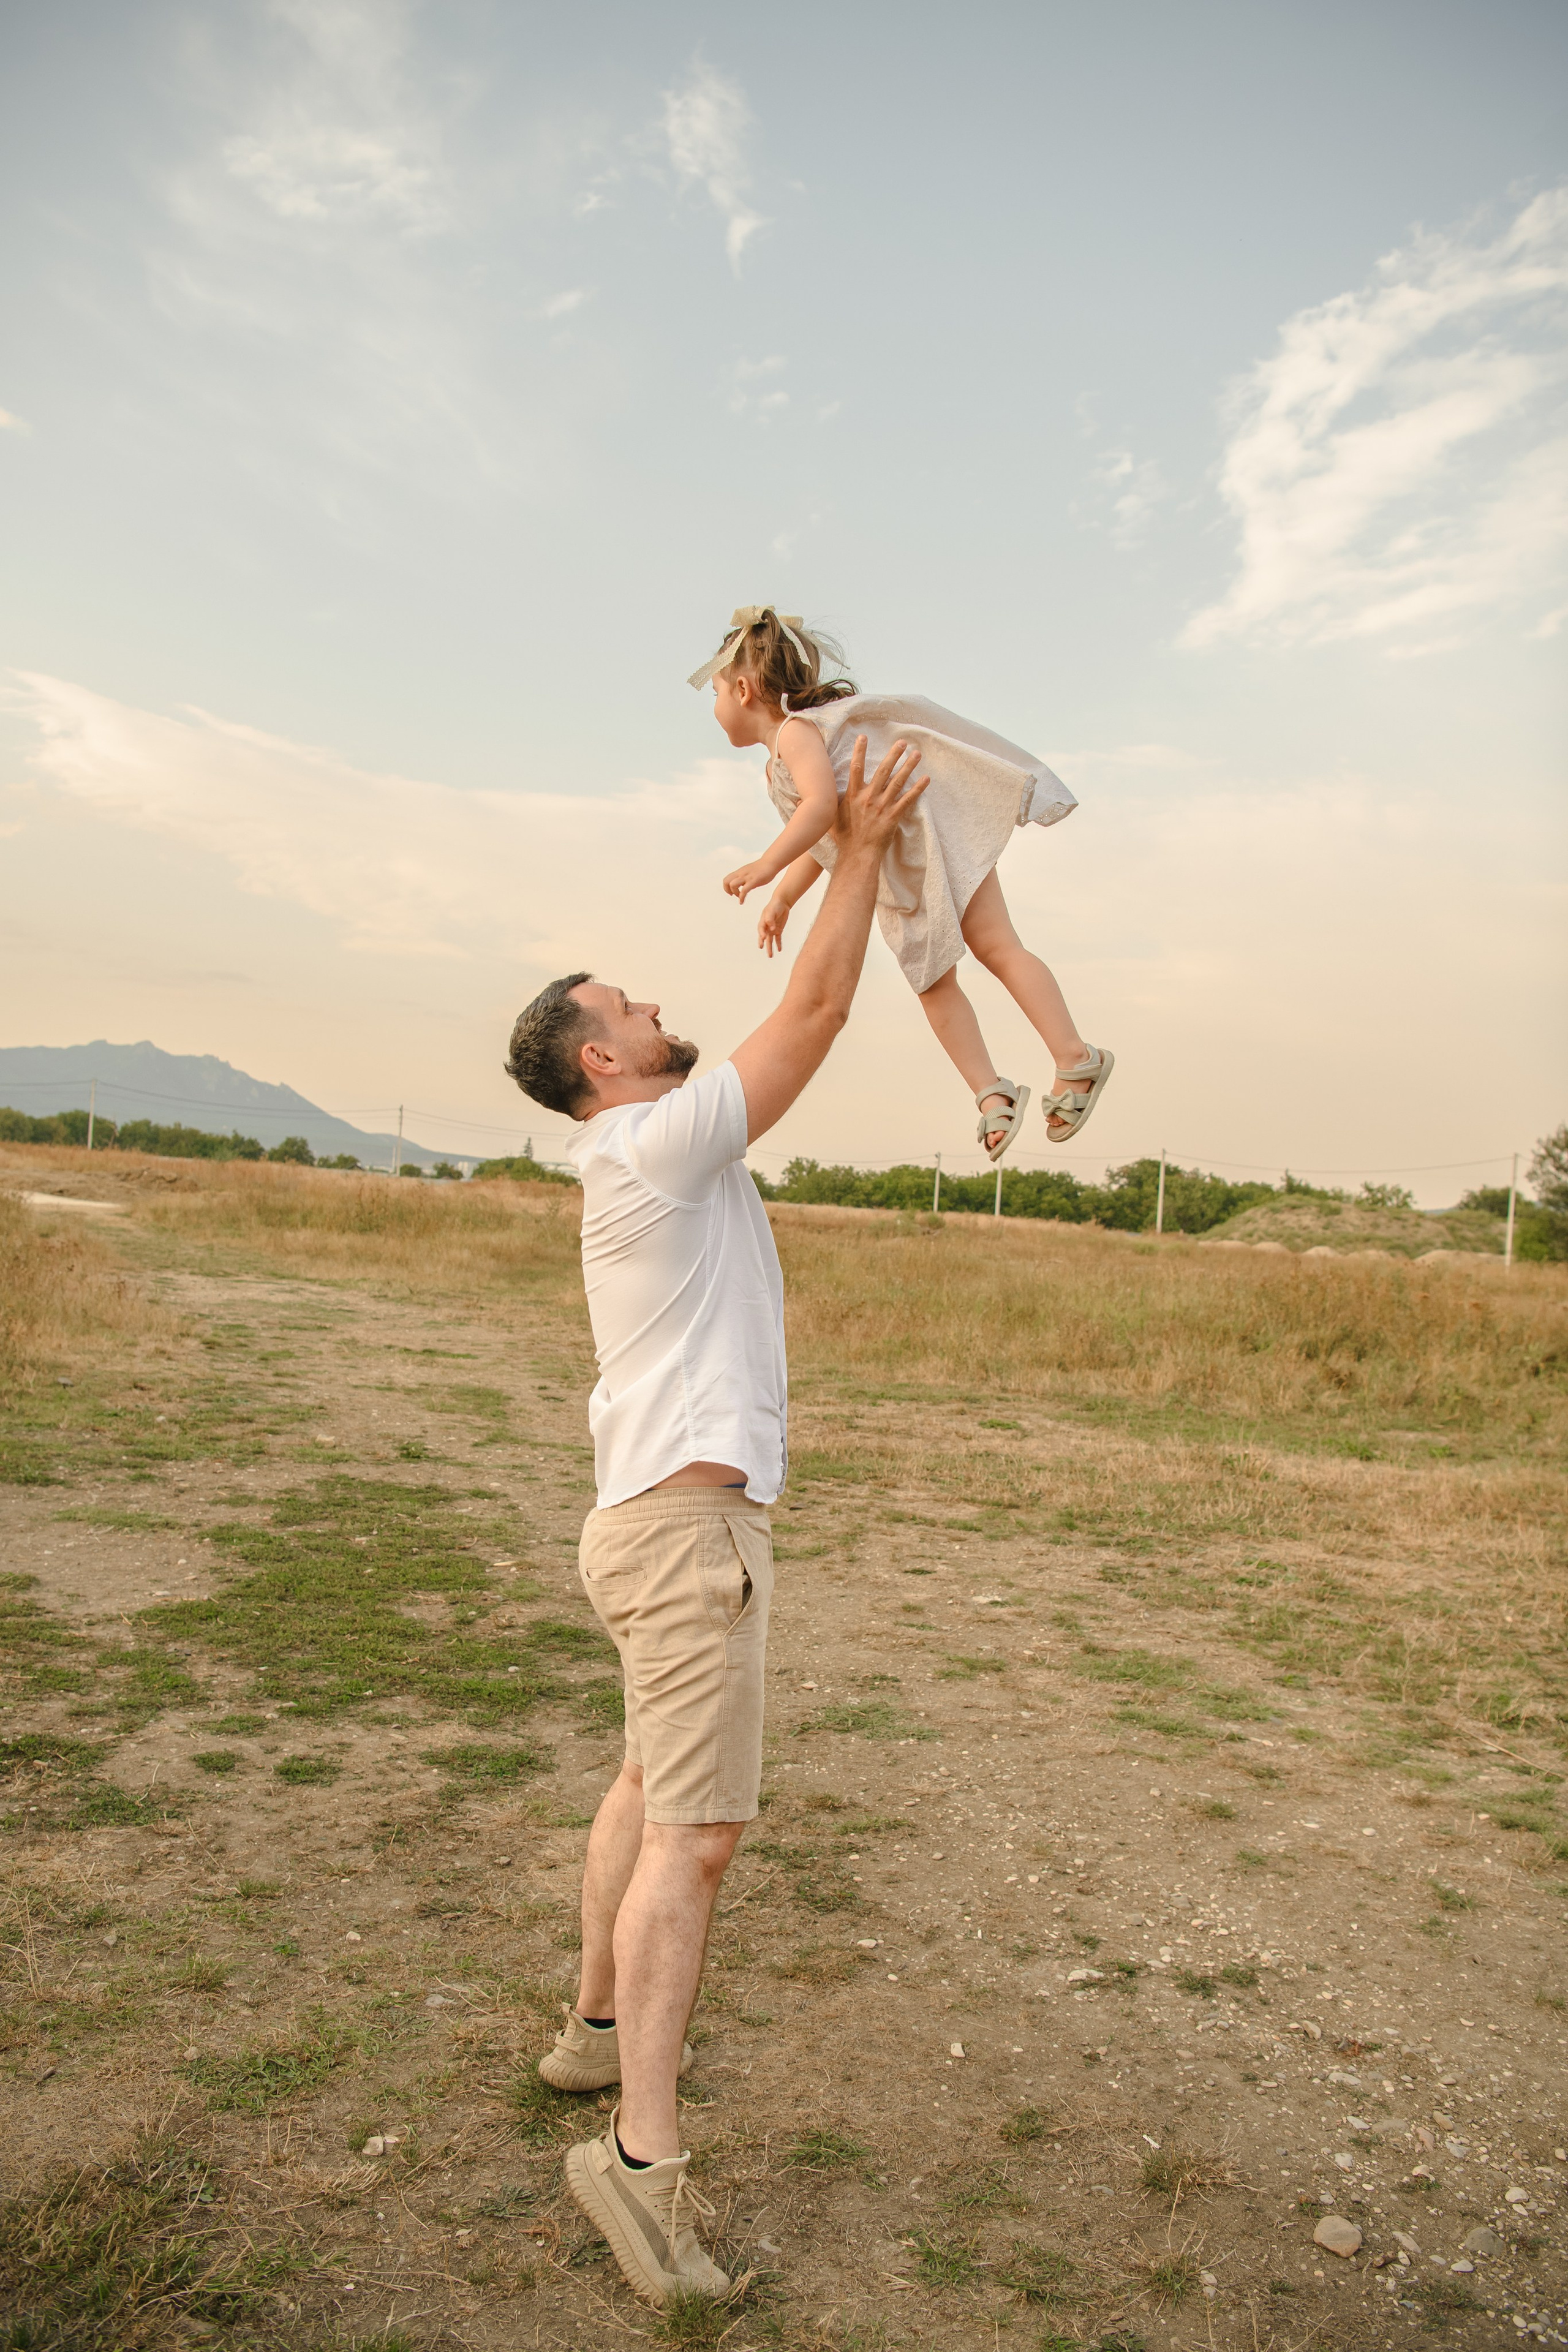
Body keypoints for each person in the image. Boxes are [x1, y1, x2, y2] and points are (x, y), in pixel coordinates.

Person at [500, 733, 928, 2308]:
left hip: (646, 1527)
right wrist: (864, 851)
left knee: (640, 1779)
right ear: (595, 1060)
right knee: (698, 1833)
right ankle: (637, 2160)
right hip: (686, 1543)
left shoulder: (644, 1149)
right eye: (632, 1010)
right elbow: (809, 1016)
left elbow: (788, 1011)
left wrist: (812, 856)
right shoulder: (647, 1140)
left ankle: (591, 2029)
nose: (658, 1010)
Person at [690, 603, 1114, 1161]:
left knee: (985, 956)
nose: (716, 706)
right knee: (941, 980)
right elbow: (828, 842)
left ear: (744, 690)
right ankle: (996, 1092)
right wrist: (786, 897)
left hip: (919, 848)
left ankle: (1071, 1061)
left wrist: (767, 865)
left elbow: (818, 811)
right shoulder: (779, 761)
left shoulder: (796, 734)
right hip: (901, 863)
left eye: (717, 692)